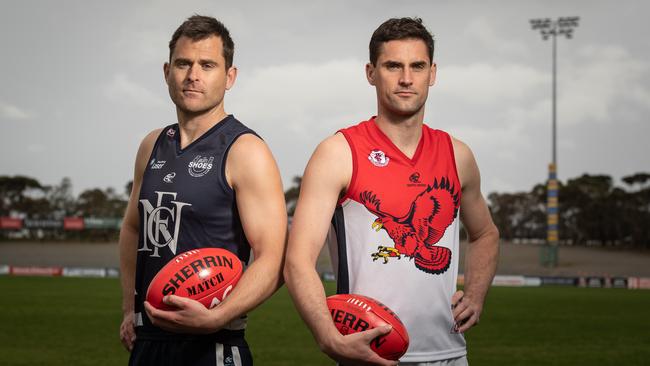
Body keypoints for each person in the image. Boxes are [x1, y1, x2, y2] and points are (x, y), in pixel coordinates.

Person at [284, 17, 499, 365]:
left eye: (417, 66)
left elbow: (486, 232)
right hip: (367, 353)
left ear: (433, 73)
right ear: (371, 73)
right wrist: (327, 336)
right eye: (393, 66)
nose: (406, 78)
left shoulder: (457, 155)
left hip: (449, 353)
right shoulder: (338, 153)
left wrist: (475, 294)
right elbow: (297, 261)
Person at [118, 15, 286, 366]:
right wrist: (129, 308)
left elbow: (274, 258)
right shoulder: (152, 144)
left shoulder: (245, 150)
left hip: (213, 345)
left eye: (207, 65)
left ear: (229, 77)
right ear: (167, 72)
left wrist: (217, 316)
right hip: (147, 342)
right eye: (183, 63)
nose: (193, 75)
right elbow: (133, 227)